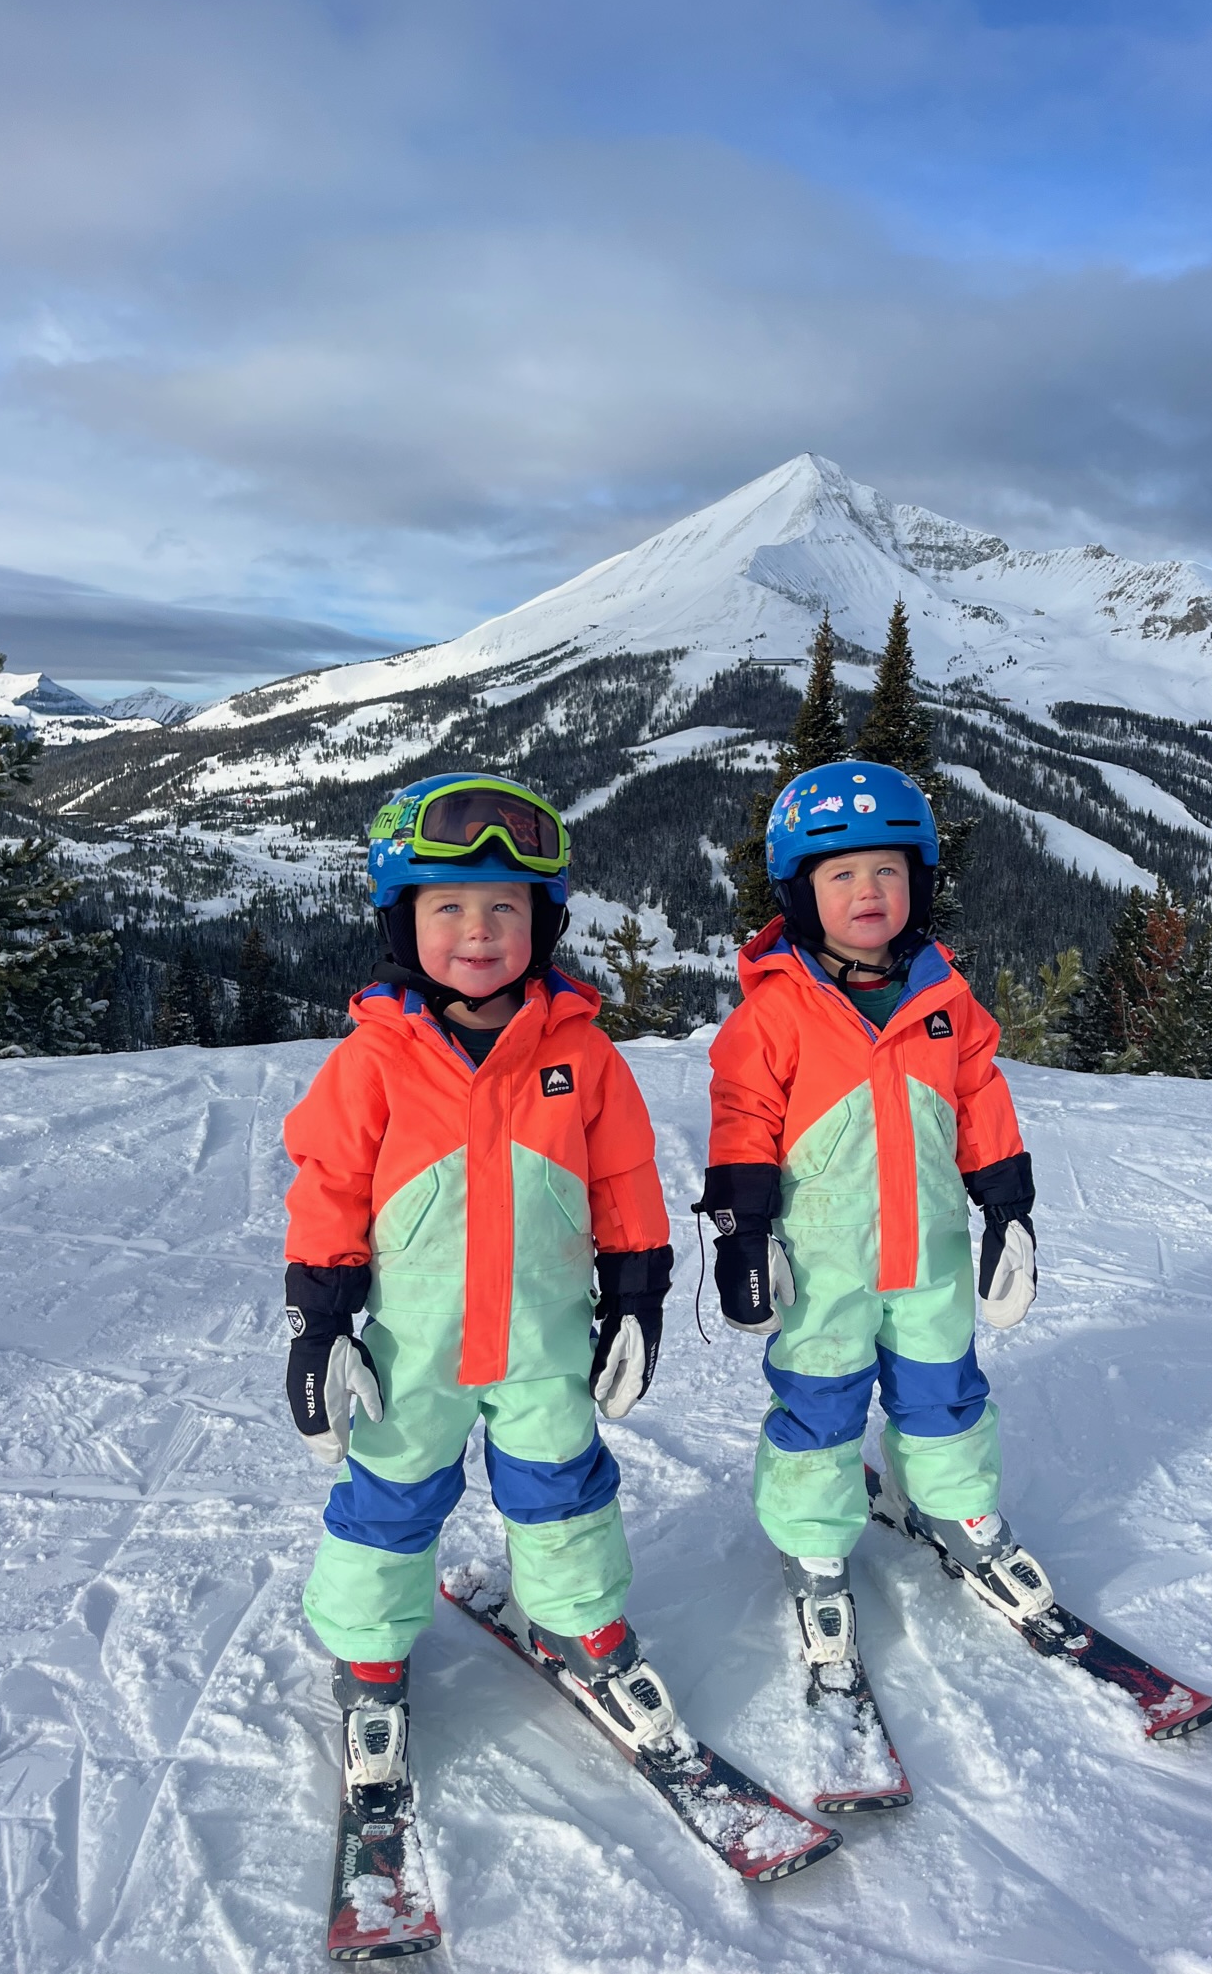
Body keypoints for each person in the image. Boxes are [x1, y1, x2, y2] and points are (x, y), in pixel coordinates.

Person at [283, 772, 678, 1791]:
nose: (477, 929)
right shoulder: (374, 1061)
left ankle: (581, 1623)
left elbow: (625, 1176)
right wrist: (322, 1323)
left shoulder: (580, 1053)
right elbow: (327, 1185)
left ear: (540, 923)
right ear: (400, 921)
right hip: (414, 1343)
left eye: (504, 907)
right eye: (447, 906)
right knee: (391, 1488)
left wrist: (635, 1294)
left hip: (544, 1333)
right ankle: (369, 1652)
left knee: (561, 1484)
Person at [694, 759, 1049, 1679]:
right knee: (820, 1404)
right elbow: (741, 1120)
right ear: (801, 894)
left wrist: (1007, 1210)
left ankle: (955, 1504)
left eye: (887, 870)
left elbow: (980, 1101)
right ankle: (815, 1542)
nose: (867, 891)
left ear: (917, 883)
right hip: (823, 1266)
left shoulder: (944, 999)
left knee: (943, 1386)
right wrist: (742, 1231)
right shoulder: (776, 1013)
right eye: (841, 874)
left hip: (928, 1253)